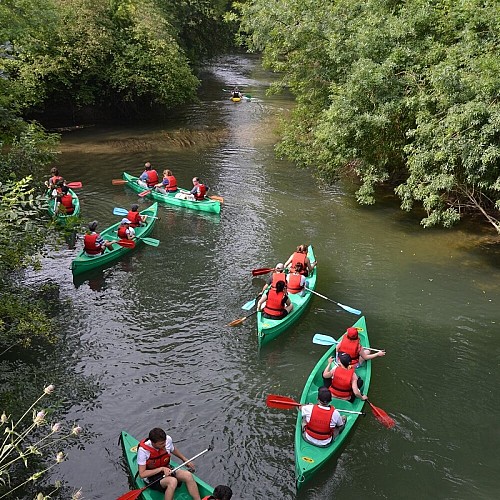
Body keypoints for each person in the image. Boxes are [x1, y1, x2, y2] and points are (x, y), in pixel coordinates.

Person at [137, 427, 201, 500]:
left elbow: (173, 449)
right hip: (152, 478)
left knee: (188, 475)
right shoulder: (143, 451)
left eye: (164, 442)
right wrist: (161, 469)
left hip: (167, 469)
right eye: (161, 444)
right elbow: (142, 474)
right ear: (153, 443)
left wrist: (184, 459)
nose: (164, 445)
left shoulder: (167, 439)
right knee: (172, 481)